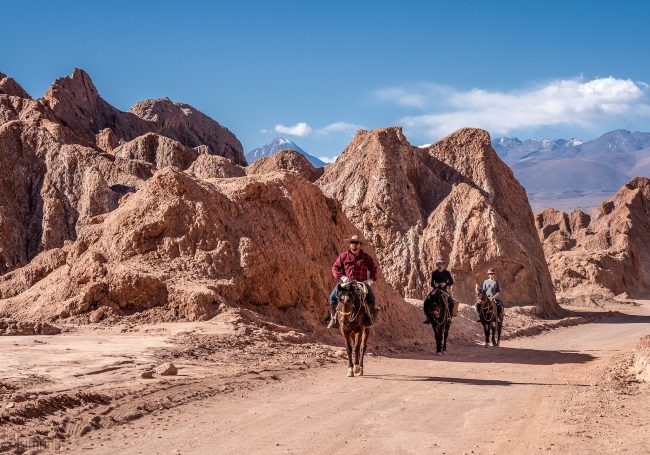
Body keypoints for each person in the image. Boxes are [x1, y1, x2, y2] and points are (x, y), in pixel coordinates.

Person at [328, 235, 379, 329]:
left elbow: (374, 269)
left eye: (356, 242)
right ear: (350, 244)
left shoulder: (366, 258)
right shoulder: (343, 256)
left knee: (371, 298)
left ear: (360, 245)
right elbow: (335, 268)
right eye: (352, 242)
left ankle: (369, 319)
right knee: (332, 297)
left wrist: (370, 280)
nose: (354, 244)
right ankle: (333, 318)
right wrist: (342, 277)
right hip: (346, 283)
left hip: (361, 284)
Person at [423, 258, 456, 323]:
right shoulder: (434, 273)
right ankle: (428, 318)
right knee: (426, 301)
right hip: (436, 290)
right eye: (438, 263)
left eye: (441, 263)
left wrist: (445, 283)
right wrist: (435, 285)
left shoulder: (447, 272)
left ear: (444, 264)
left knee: (451, 302)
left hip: (444, 290)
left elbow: (451, 282)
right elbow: (432, 283)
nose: (440, 265)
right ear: (436, 264)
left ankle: (449, 318)